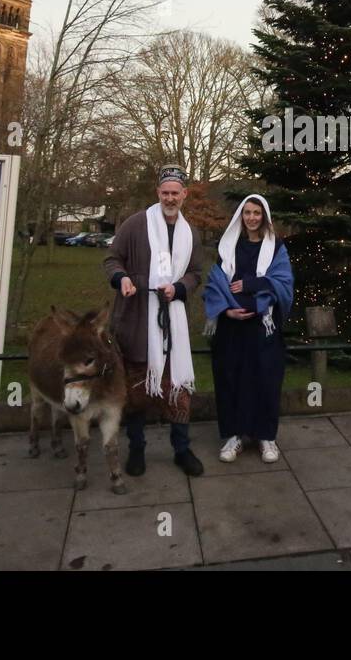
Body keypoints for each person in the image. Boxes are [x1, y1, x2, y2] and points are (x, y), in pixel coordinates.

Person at [103, 165, 205, 477]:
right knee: (137, 390)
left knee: (177, 388)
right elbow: (111, 259)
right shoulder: (136, 225)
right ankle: (137, 449)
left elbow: (196, 273)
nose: (170, 198)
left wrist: (180, 287)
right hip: (136, 320)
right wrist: (120, 278)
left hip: (171, 324)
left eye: (176, 193)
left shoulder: (191, 233)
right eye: (165, 193)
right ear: (157, 193)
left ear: (184, 195)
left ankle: (182, 449)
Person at [204, 194, 294, 463]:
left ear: (264, 217)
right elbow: (213, 284)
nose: (252, 218)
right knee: (231, 378)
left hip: (263, 327)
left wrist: (253, 285)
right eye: (247, 213)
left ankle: (266, 436)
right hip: (232, 327)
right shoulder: (228, 247)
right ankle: (234, 436)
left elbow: (284, 283)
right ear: (241, 217)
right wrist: (226, 309)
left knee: (265, 379)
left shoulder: (276, 247)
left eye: (257, 213)